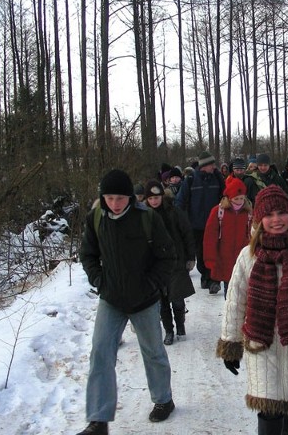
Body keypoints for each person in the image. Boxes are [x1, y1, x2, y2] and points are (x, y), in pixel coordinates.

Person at [216, 185, 288, 435]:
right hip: (262, 348)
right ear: (259, 221)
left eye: (281, 213)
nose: (276, 220)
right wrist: (231, 345)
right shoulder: (247, 257)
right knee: (269, 411)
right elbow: (235, 302)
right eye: (268, 215)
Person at [77, 169, 177, 435]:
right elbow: (87, 254)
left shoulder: (147, 218)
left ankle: (163, 399)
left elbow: (167, 256)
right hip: (111, 299)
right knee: (100, 353)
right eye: (109, 197)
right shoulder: (96, 218)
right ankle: (98, 419)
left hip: (144, 299)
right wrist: (100, 281)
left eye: (120, 198)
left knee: (153, 351)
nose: (114, 203)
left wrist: (151, 284)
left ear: (130, 197)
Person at [144, 179, 196, 345]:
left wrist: (190, 257)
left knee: (177, 298)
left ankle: (180, 326)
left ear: (162, 196)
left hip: (176, 261)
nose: (154, 201)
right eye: (150, 198)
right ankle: (169, 330)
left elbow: (187, 233)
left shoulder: (173, 211)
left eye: (156, 197)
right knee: (162, 301)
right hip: (155, 264)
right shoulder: (143, 215)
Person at [175, 150, 225, 294]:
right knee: (201, 253)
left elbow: (225, 196)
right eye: (212, 164)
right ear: (204, 165)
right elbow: (180, 200)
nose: (214, 167)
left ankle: (213, 279)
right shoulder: (191, 179)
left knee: (215, 251)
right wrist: (182, 220)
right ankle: (205, 276)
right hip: (196, 224)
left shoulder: (217, 178)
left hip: (215, 224)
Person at [203, 178, 253, 298]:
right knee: (230, 292)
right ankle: (230, 314)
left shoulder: (249, 212)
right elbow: (210, 237)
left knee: (244, 292)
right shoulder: (218, 212)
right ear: (229, 197)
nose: (239, 201)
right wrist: (210, 259)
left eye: (242, 198)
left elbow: (253, 235)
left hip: (243, 259)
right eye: (236, 198)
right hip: (224, 259)